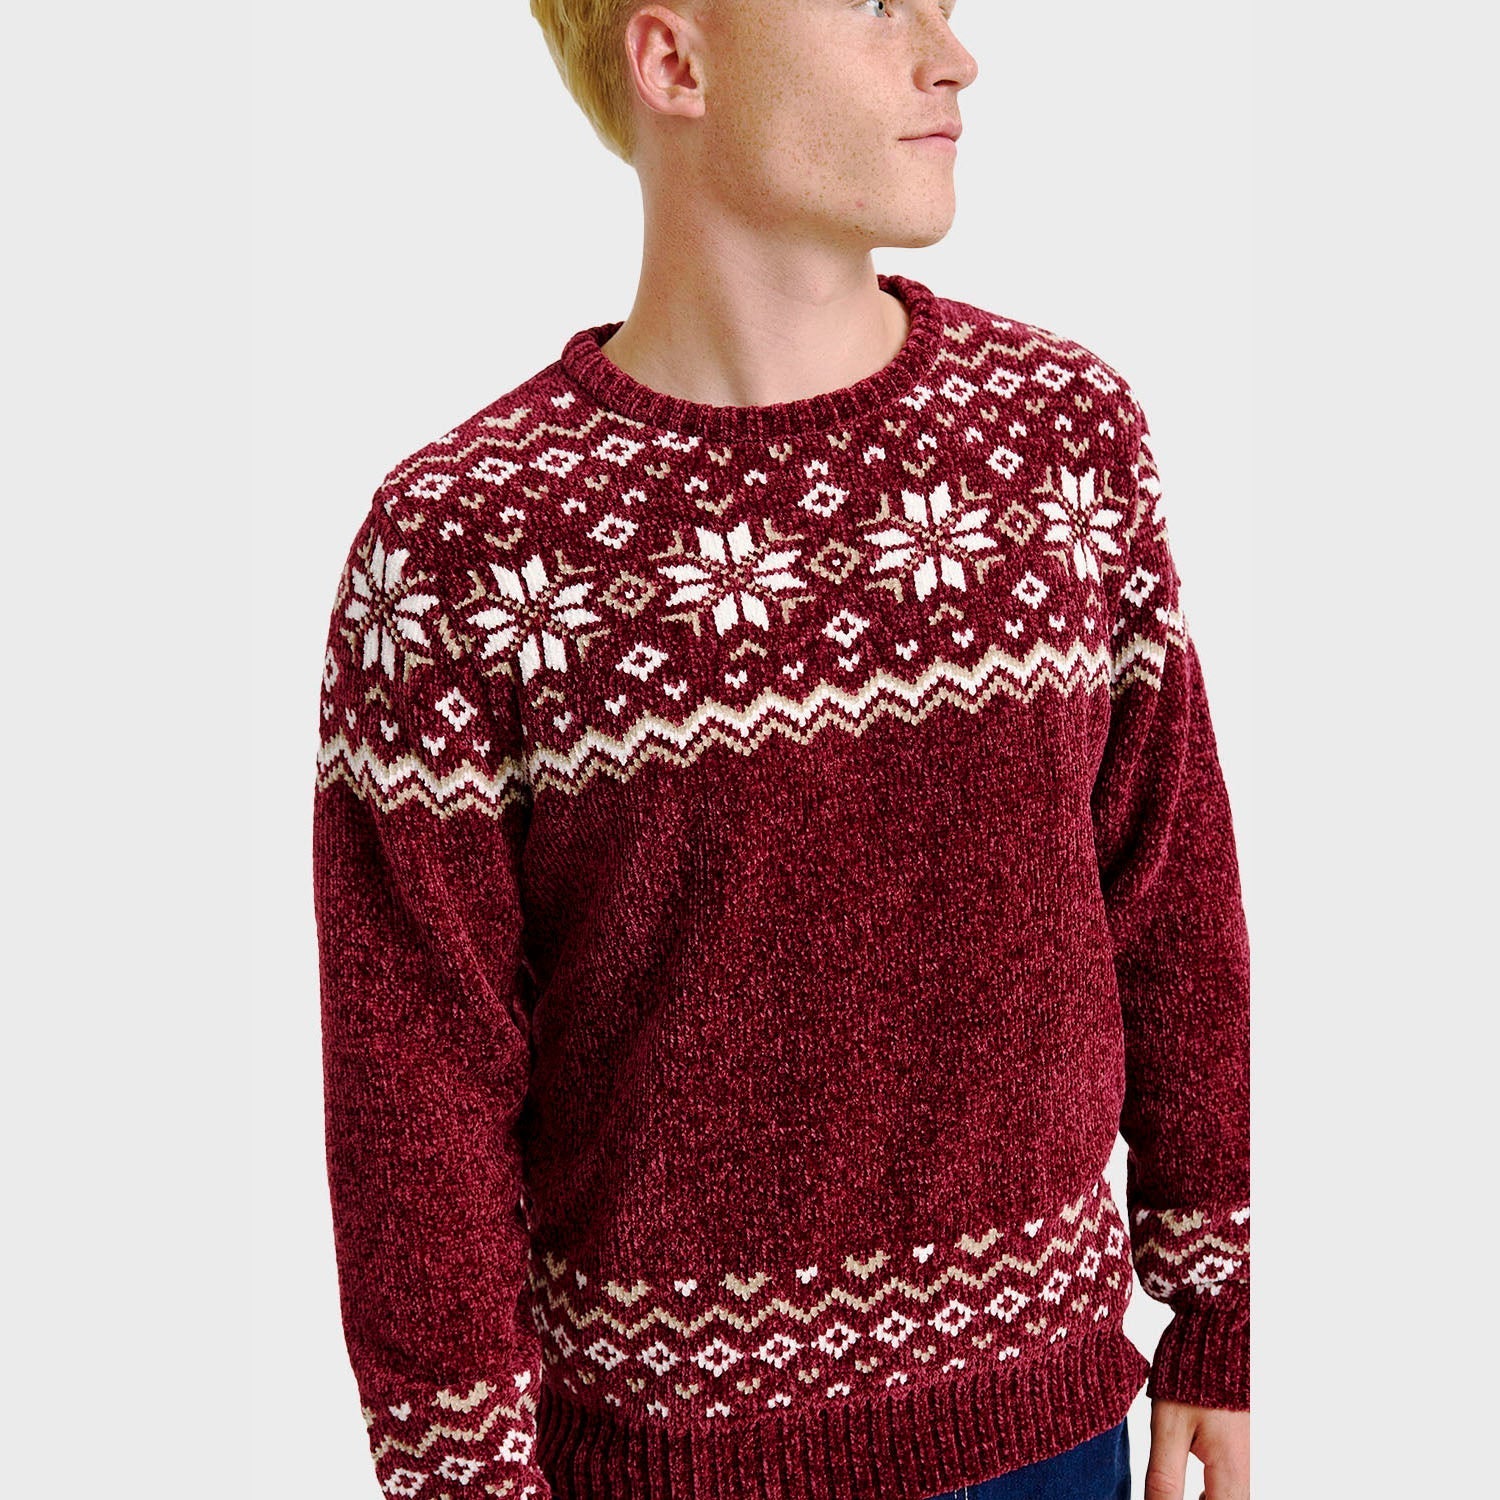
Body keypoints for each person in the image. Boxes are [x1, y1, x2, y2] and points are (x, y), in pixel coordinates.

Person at [310, 4, 1251, 1499]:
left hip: (1049, 1441)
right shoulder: (466, 547)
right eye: (876, 2)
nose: (954, 56)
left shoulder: (1058, 442)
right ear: (673, 61)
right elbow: (418, 1081)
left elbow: (1170, 886)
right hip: (652, 1470)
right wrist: (463, 1479)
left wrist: (1220, 1307)